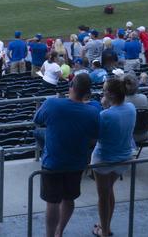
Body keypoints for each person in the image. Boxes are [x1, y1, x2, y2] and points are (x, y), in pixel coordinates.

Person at [34, 74, 101, 237]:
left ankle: (51, 235)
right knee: (68, 198)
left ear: (71, 87)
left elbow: (37, 119)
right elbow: (95, 135)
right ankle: (59, 232)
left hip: (53, 163)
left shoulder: (52, 104)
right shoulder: (92, 111)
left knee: (52, 202)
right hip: (76, 163)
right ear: (87, 93)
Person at [92, 76, 136, 237]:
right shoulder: (131, 107)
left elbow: (96, 136)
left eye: (104, 91)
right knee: (108, 191)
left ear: (109, 94)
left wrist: (103, 109)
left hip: (104, 160)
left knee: (103, 197)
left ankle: (104, 231)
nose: (102, 93)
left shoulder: (105, 115)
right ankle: (106, 226)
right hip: (124, 159)